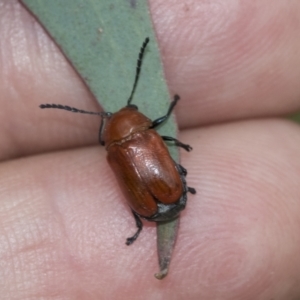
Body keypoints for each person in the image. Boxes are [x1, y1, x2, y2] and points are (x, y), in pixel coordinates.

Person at [0, 0, 300, 299]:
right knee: (166, 153)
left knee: (154, 177)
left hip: (153, 206)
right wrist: (173, 119)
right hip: (167, 195)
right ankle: (160, 203)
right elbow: (164, 131)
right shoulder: (145, 135)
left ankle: (139, 225)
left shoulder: (112, 152)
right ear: (138, 119)